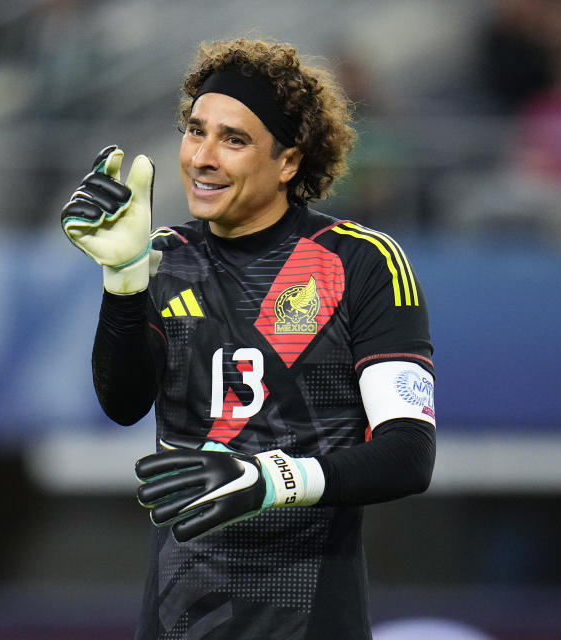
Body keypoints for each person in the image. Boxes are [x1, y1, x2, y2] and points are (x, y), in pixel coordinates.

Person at [61, 38, 436, 640]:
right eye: (194, 130)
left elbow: (408, 456)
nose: (202, 157)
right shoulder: (166, 258)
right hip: (177, 620)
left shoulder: (360, 261)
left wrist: (270, 479)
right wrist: (124, 283)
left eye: (234, 140)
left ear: (288, 162)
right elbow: (122, 402)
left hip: (310, 622)